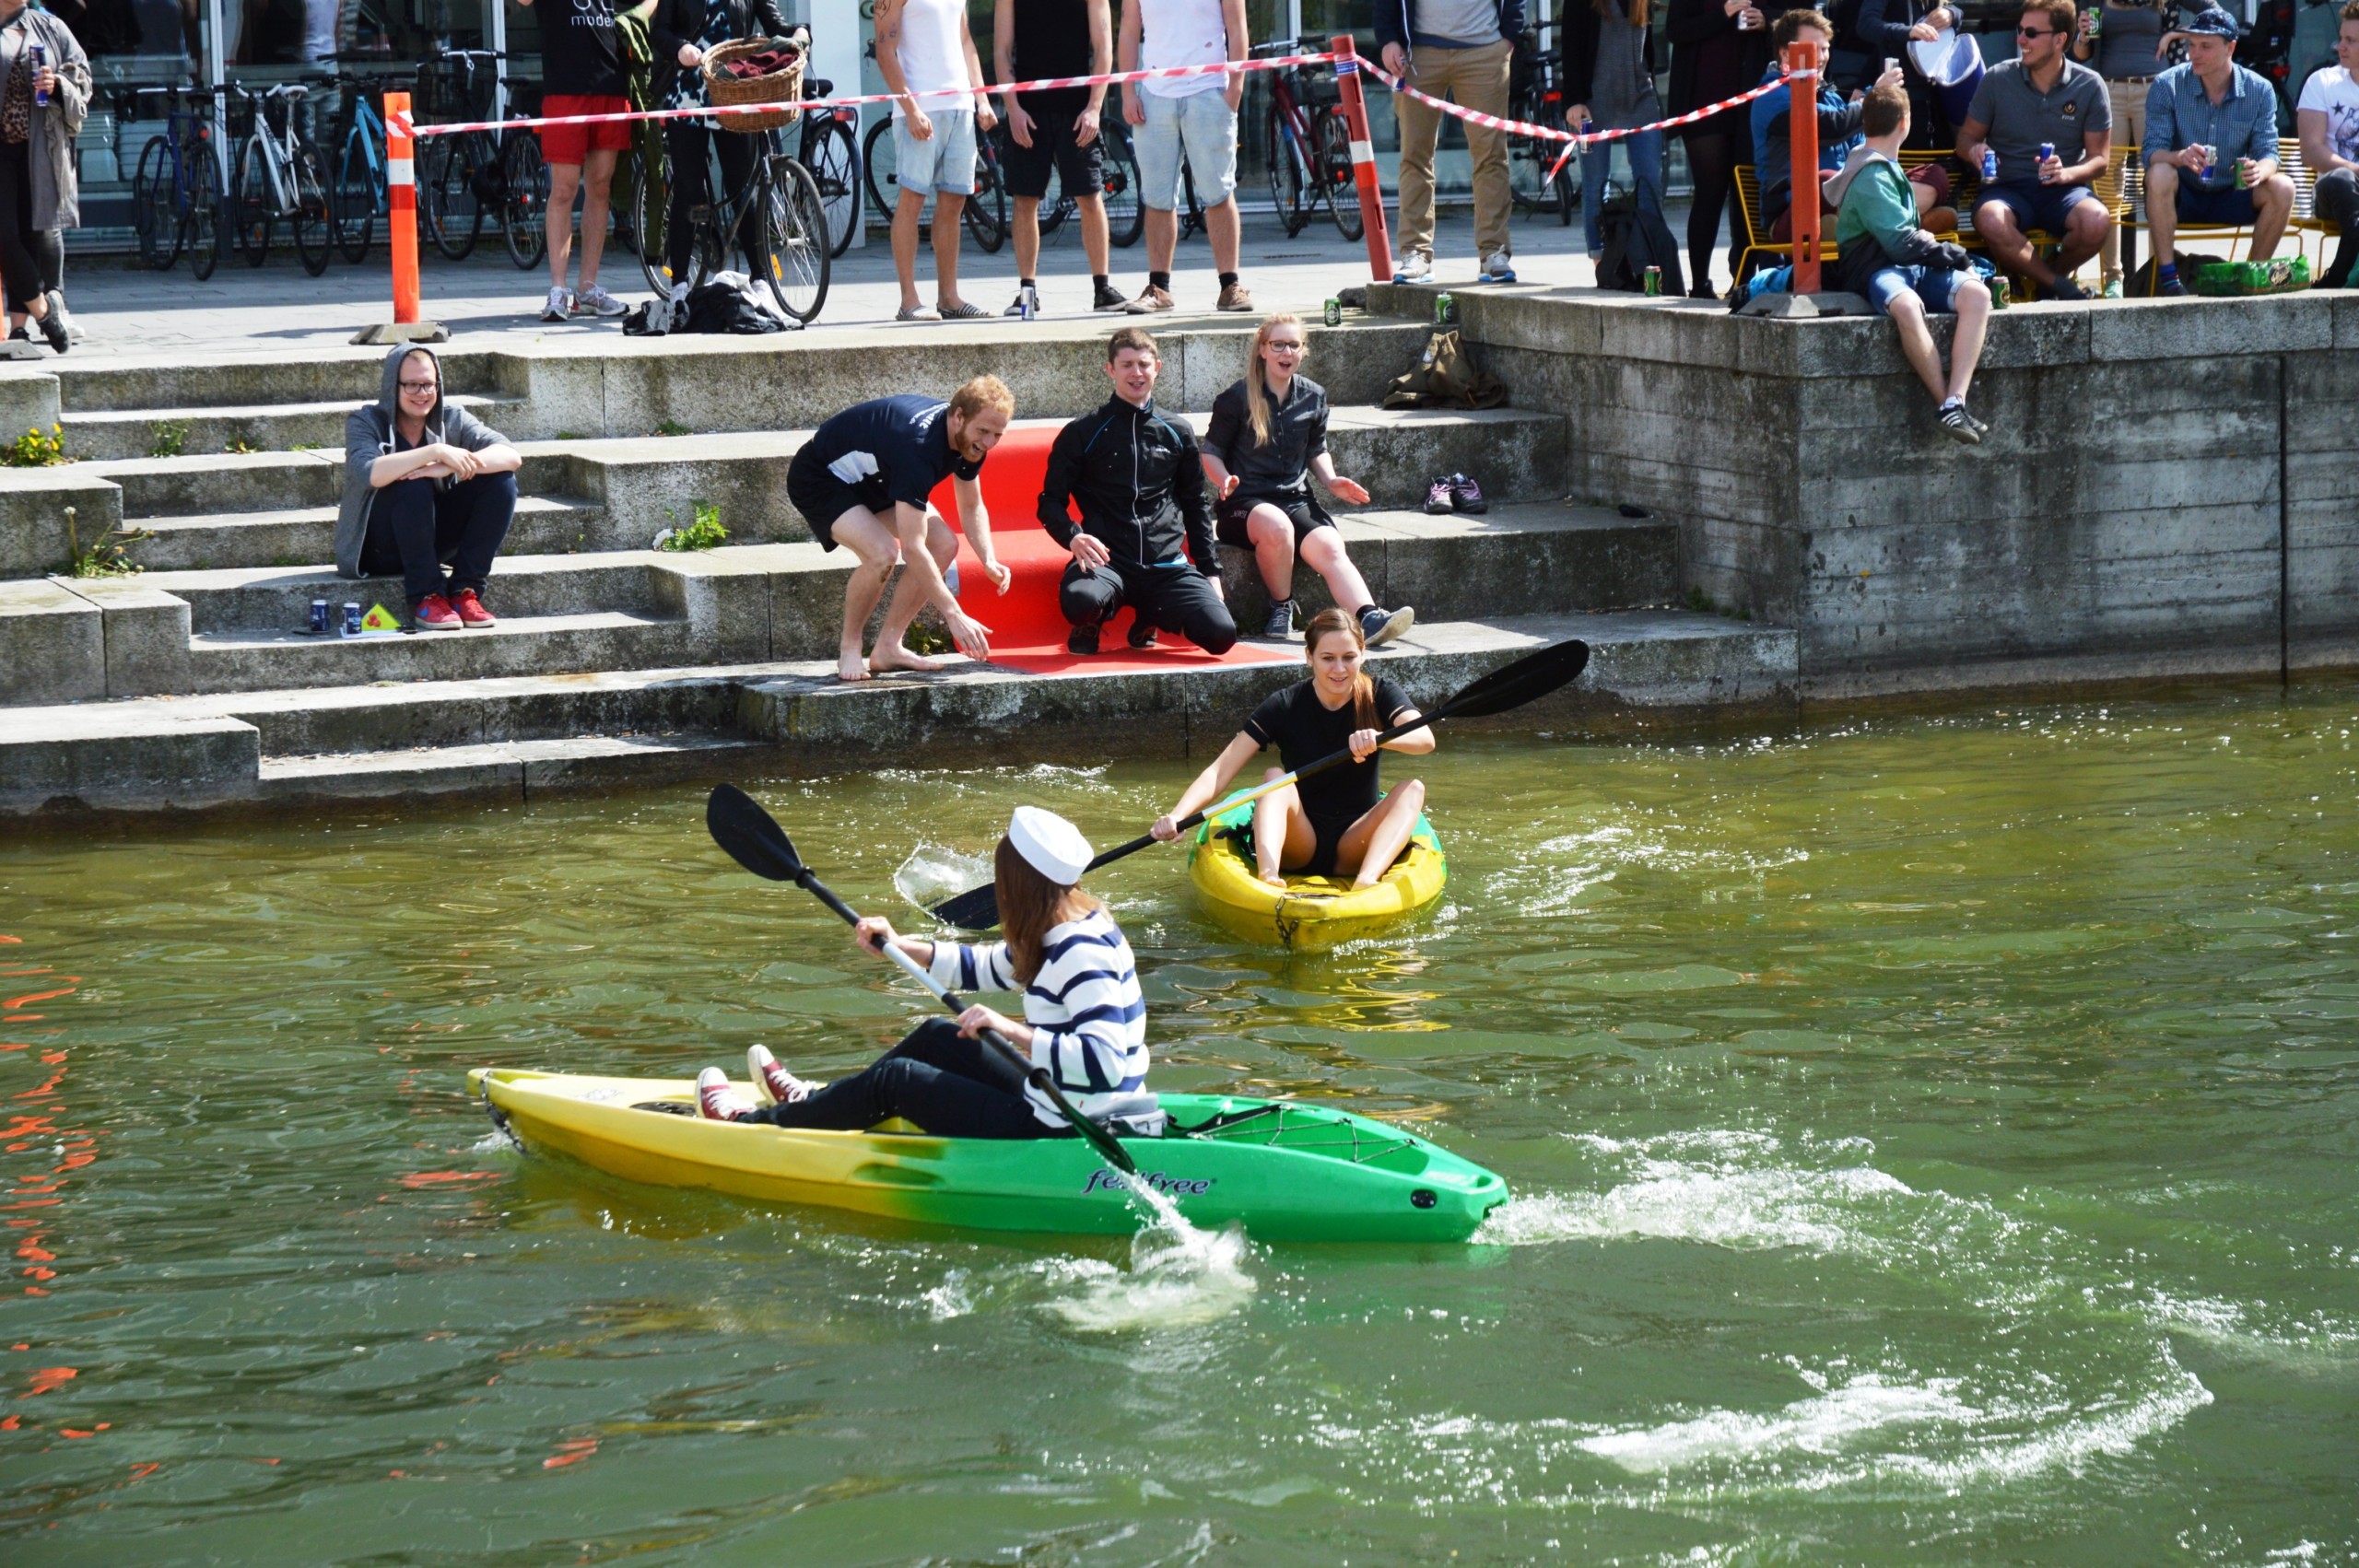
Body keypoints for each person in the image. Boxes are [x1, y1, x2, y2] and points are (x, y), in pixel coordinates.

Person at [698, 807, 1151, 1141]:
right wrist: (901, 945)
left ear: (1020, 882)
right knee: (938, 1034)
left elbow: (1104, 1062)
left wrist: (1009, 1029)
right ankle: (815, 1103)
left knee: (898, 1080)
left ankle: (747, 1127)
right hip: (1062, 1097)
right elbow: (993, 965)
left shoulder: (1080, 952)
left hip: (1068, 1125)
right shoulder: (1074, 921)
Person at [1150, 607, 1436, 889]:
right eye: (1328, 658)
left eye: (1349, 657)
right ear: (1309, 656)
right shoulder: (1284, 704)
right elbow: (1221, 770)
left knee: (1413, 788)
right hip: (1300, 841)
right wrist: (1178, 815)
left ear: (1362, 653)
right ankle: (1268, 877)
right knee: (1274, 777)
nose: (1339, 669)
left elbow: (1425, 740)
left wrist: (1380, 737)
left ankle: (1367, 879)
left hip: (1356, 841)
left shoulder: (1380, 693)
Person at [1203, 313, 1414, 649]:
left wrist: (1331, 481)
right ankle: (1281, 604)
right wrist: (1225, 478)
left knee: (1329, 544)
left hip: (1295, 499)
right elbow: (1210, 452)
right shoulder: (1237, 397)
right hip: (1244, 504)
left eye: (1294, 345)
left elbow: (1317, 450)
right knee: (1277, 526)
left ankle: (1369, 616)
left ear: (1303, 351)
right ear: (1263, 350)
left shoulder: (1313, 396)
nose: (1286, 352)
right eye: (1278, 345)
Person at [787, 379, 1014, 681]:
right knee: (882, 553)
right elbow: (912, 547)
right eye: (983, 432)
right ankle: (850, 646)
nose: (988, 443)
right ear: (958, 416)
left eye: (997, 435)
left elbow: (971, 506)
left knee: (944, 545)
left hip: (875, 476)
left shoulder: (968, 438)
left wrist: (987, 557)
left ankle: (889, 647)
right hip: (821, 479)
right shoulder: (918, 449)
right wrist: (953, 613)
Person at [1040, 326, 1236, 656]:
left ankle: (1150, 613)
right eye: (1127, 364)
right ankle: (1094, 621)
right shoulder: (1083, 431)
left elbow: (1195, 504)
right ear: (1110, 370)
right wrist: (1073, 537)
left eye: (1144, 364)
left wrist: (1210, 572)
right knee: (1080, 603)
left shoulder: (1177, 431)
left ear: (1157, 368)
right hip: (1107, 560)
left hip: (1165, 564)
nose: (1136, 373)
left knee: (1221, 635)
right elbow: (1049, 502)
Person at [1830, 81, 1992, 443]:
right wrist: (1955, 254)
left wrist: (1952, 260)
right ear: (1905, 123)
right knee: (1906, 305)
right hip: (1879, 269)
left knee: (1978, 296)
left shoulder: (1885, 165)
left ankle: (1955, 401)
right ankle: (1947, 406)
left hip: (1909, 267)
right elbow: (1900, 243)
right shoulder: (1870, 173)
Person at [334, 346, 525, 630]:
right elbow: (368, 473)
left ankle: (464, 591)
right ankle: (427, 596)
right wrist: (434, 452)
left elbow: (511, 455)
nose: (421, 393)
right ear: (392, 387)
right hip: (378, 549)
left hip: (428, 538)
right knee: (414, 484)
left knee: (500, 481)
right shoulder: (366, 422)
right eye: (411, 384)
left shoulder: (452, 418)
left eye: (428, 384)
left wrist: (450, 465)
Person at [1954, 0, 2112, 302]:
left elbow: (2099, 160)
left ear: (2059, 40)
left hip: (2062, 192)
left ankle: (2048, 280)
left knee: (2096, 221)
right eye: (2019, 30)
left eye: (2030, 32)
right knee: (1990, 219)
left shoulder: (2090, 85)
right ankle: (2059, 286)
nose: (2020, 39)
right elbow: (1965, 139)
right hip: (2007, 188)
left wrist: (2067, 172)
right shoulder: (1998, 78)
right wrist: (1975, 150)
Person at [1750, 10, 1942, 251]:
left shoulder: (1832, 98)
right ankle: (1902, 224)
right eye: (1813, 49)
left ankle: (1887, 224)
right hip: (1792, 213)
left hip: (1849, 202)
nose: (1821, 57)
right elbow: (1830, 127)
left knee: (1934, 175)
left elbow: (1864, 149)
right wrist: (1872, 98)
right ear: (1786, 53)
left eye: (1825, 48)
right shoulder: (1770, 96)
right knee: (1827, 180)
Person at [2142, 6, 2295, 296]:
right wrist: (2179, 157)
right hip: (2183, 192)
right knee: (2160, 173)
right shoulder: (2167, 84)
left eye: (2205, 47)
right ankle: (2168, 279)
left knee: (2283, 187)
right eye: (2191, 45)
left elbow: (2269, 153)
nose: (2194, 54)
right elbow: (2152, 151)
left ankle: (2251, 278)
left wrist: (2258, 170)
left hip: (2232, 192)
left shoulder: (2259, 90)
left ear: (2230, 48)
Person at [1117, 0, 1254, 312]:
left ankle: (1230, 285)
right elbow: (1128, 31)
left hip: (1208, 90)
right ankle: (1159, 288)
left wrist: (1234, 90)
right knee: (1157, 197)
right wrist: (1128, 92)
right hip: (1154, 95)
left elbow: (1237, 28)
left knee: (1218, 192)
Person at [1377, 0, 1526, 286]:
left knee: (1491, 156)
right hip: (1418, 53)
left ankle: (1494, 253)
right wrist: (1389, 40)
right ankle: (1415, 254)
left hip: (1484, 51)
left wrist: (1507, 39)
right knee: (1415, 156)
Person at [651, 0, 790, 307]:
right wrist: (680, 48)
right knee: (688, 188)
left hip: (734, 90)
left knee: (742, 185)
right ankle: (679, 284)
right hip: (688, 91)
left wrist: (797, 34)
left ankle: (761, 277)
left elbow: (774, 22)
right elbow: (659, 31)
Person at [995, 0, 1128, 316]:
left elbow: (1103, 47)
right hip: (1029, 110)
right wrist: (1012, 108)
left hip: (1077, 110)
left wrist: (1095, 107)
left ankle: (1102, 289)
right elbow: (1001, 50)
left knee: (1090, 196)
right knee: (1025, 199)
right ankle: (1027, 293)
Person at [876, 0, 998, 321]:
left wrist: (981, 98)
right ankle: (909, 301)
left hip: (961, 106)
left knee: (955, 201)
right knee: (912, 199)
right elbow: (884, 50)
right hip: (920, 108)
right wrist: (912, 108)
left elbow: (966, 41)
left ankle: (949, 297)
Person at [517, 0, 632, 322]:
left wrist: (636, 18)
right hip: (565, 88)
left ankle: (588, 288)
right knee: (564, 190)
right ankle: (558, 289)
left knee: (600, 187)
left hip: (611, 82)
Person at [0, 0, 88, 356]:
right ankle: (45, 310)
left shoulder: (49, 27)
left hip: (39, 147)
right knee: (5, 235)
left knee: (31, 233)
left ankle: (19, 329)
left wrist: (56, 85)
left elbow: (81, 74)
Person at [1668, 0, 1771, 297]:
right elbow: (1675, 31)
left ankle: (1743, 280)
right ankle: (1700, 282)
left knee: (1746, 193)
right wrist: (1722, 15)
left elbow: (1798, 16)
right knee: (1710, 192)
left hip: (1752, 99)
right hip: (1703, 99)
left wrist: (1766, 20)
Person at [2071, 0, 2171, 294]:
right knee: (2106, 184)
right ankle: (2113, 277)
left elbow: (2213, 12)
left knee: (2158, 178)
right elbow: (2080, 54)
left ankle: (2159, 270)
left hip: (2153, 88)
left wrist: (2176, 35)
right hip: (2109, 90)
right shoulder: (2094, 2)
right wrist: (2083, 36)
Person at [1564, 0, 1667, 271]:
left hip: (1640, 98)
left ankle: (1648, 254)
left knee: (1650, 181)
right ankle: (1602, 260)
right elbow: (1571, 47)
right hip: (1595, 102)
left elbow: (1649, 50)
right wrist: (1574, 100)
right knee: (1596, 183)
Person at [2297, 0, 2359, 288]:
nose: (2340, 47)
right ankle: (2338, 279)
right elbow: (2311, 151)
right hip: (2333, 191)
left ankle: (2335, 278)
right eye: (2341, 39)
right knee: (2343, 178)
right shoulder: (2322, 82)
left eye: (2350, 41)